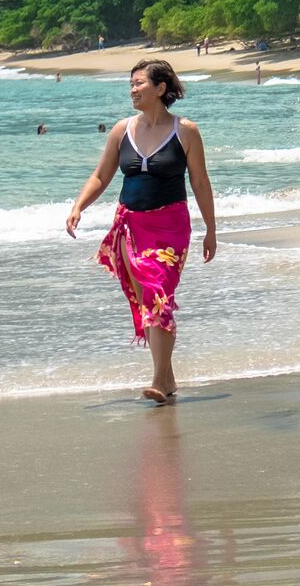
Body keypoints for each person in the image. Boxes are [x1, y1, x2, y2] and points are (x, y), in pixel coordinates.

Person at [65, 59, 218, 404]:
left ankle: (158, 381)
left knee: (158, 297)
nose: (132, 90)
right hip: (129, 229)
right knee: (147, 304)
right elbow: (101, 177)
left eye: (139, 83)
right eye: (130, 85)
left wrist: (211, 228)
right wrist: (78, 207)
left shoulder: (186, 131)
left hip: (170, 228)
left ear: (160, 88)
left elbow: (199, 182)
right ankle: (168, 377)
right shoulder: (122, 130)